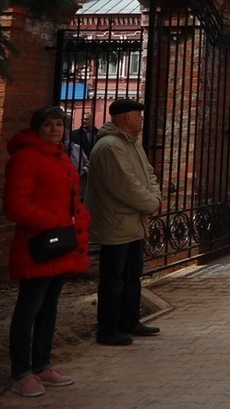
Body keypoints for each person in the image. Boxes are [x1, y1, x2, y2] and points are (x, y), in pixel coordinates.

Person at [4, 106, 93, 397]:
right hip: (39, 245)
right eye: (48, 125)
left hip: (61, 244)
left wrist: (81, 216)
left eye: (59, 124)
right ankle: (21, 372)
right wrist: (54, 223)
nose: (55, 130)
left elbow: (70, 197)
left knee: (49, 307)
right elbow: (15, 205)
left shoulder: (60, 156)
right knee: (28, 309)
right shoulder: (26, 158)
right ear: (36, 128)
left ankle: (42, 364)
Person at [86, 98, 162, 346]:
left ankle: (130, 320)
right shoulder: (109, 147)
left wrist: (155, 196)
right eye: (138, 116)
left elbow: (148, 174)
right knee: (113, 279)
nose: (141, 120)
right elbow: (125, 186)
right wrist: (151, 203)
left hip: (132, 223)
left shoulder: (132, 143)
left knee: (132, 276)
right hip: (116, 222)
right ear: (127, 118)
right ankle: (108, 328)